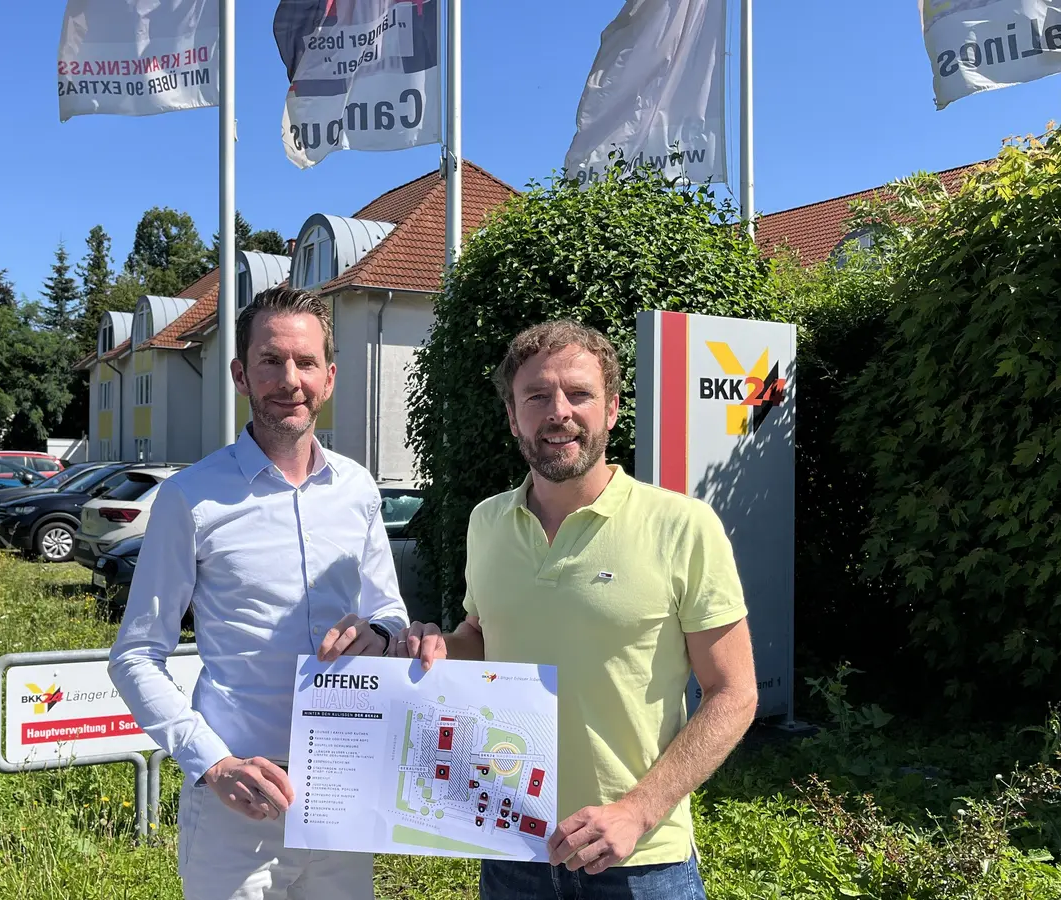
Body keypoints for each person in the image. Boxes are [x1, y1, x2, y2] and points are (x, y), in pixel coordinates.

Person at [395, 320, 759, 899]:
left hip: (639, 862)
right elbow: (483, 635)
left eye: (579, 394)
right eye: (535, 397)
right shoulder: (487, 522)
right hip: (513, 846)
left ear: (612, 409)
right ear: (513, 417)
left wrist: (638, 811)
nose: (558, 411)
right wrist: (441, 647)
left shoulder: (682, 526)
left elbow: (734, 692)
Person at [108, 285, 409, 900]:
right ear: (240, 374)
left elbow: (389, 612)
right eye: (270, 361)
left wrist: (378, 634)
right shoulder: (190, 497)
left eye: (304, 363)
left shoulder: (357, 490)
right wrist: (213, 764)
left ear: (329, 376)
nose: (288, 379)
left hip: (341, 787)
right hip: (238, 801)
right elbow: (136, 655)